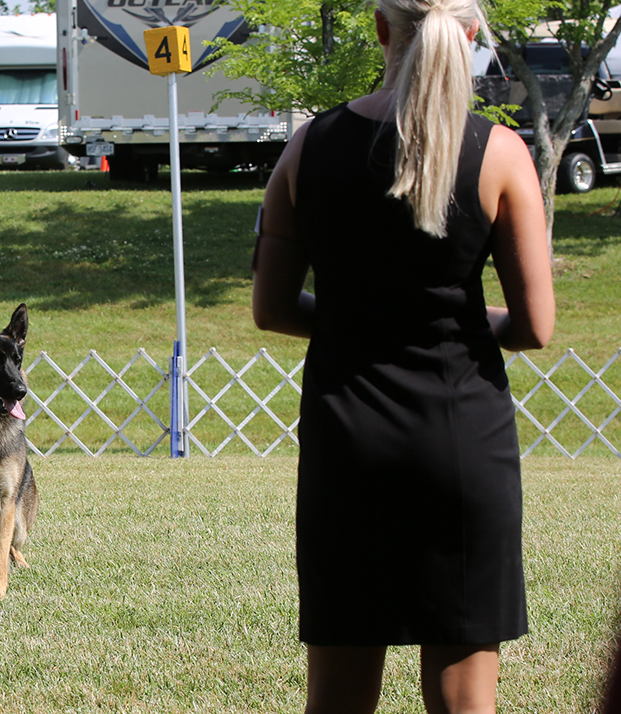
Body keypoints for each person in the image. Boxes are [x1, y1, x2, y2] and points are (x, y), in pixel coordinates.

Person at [251, 0, 556, 710]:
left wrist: (359, 320)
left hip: (347, 444)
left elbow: (271, 308)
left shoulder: (309, 146)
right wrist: (451, 320)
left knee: (338, 698)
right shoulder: (500, 153)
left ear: (381, 29)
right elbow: (535, 326)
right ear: (471, 35)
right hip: (462, 444)